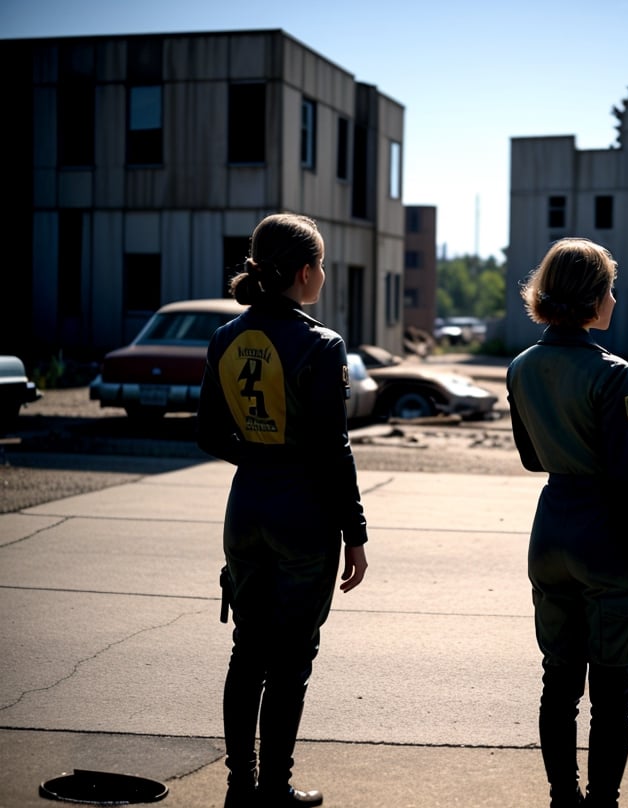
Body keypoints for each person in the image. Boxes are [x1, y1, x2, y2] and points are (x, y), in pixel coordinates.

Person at [198, 213, 369, 808]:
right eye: (320, 265)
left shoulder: (225, 337)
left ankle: (239, 785)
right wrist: (357, 532)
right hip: (304, 514)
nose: (322, 274)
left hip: (246, 506)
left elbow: (209, 434)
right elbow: (333, 448)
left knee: (248, 650)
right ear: (304, 272)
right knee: (291, 660)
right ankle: (275, 787)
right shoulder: (321, 344)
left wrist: (260, 454)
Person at [506, 238, 628, 808]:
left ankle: (562, 798)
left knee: (559, 683)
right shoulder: (613, 373)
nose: (615, 298)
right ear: (595, 297)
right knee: (613, 690)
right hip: (607, 540)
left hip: (550, 532)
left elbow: (531, 458)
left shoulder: (521, 366)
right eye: (610, 288)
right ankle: (602, 802)